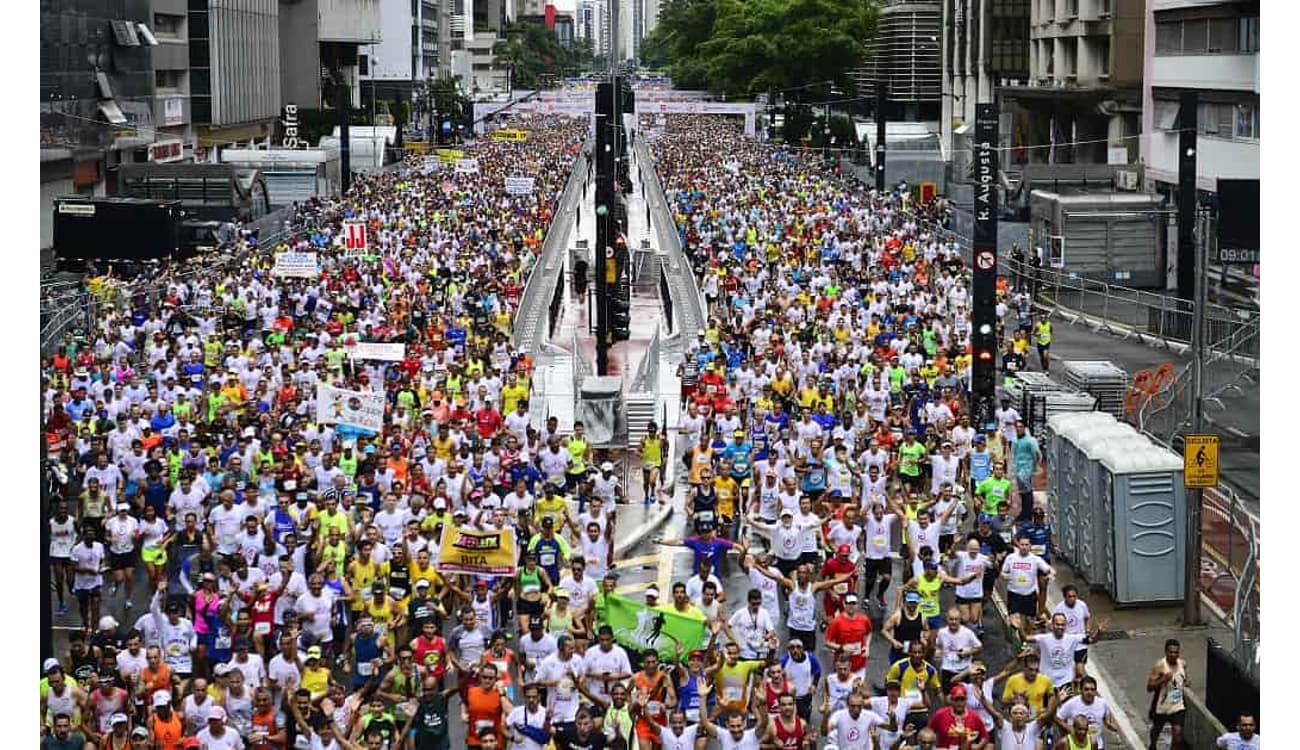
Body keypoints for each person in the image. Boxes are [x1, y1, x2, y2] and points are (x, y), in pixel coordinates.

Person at [1145, 638, 1187, 750]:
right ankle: (1153, 745)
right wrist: (1163, 680)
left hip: (1177, 705)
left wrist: (1186, 683)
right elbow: (1149, 687)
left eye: (1176, 652)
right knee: (1157, 729)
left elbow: (1184, 678)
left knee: (1178, 733)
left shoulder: (1182, 663)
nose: (1174, 655)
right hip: (1162, 705)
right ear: (1166, 652)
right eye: (1171, 652)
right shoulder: (1160, 666)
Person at [1056, 677, 1120, 749]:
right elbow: (1058, 718)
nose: (1089, 692)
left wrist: (1109, 724)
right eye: (1086, 689)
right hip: (1076, 746)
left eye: (1092, 689)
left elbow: (1106, 715)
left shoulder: (1102, 703)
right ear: (1081, 690)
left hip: (1097, 745)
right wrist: (1068, 728)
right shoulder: (1072, 703)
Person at [925, 684, 988, 749]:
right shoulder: (940, 714)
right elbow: (927, 733)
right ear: (951, 700)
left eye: (962, 699)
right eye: (956, 699)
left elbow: (985, 736)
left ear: (966, 700)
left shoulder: (974, 716)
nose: (959, 702)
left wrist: (978, 747)